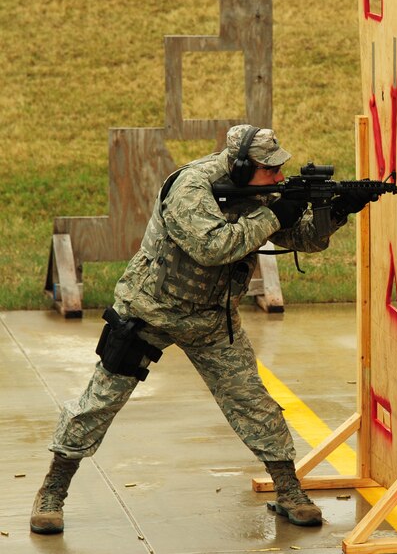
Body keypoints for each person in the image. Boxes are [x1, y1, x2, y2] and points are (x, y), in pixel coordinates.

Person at [30, 125, 374, 534]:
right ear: (244, 166)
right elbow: (214, 248)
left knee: (253, 402)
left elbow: (304, 240)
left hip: (212, 319)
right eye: (271, 170)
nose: (279, 179)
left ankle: (288, 489)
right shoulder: (191, 187)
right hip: (150, 311)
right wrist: (272, 214)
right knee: (99, 402)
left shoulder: (261, 192)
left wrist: (335, 212)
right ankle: (53, 490)